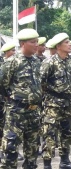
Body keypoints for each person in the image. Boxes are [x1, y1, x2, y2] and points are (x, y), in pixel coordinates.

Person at [0, 28, 42, 169]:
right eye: (33, 42)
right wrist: (13, 98)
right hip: (16, 113)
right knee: (10, 149)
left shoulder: (36, 62)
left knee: (32, 149)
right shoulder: (11, 62)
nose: (36, 44)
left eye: (37, 41)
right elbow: (2, 85)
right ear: (23, 44)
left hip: (34, 112)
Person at [40, 33, 71, 169]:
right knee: (50, 134)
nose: (70, 44)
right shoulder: (49, 62)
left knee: (67, 133)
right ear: (58, 46)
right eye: (67, 42)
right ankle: (47, 164)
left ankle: (65, 161)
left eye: (70, 41)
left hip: (67, 104)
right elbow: (40, 83)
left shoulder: (70, 61)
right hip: (53, 104)